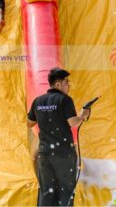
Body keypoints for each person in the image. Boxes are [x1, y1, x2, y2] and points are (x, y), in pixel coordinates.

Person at [27, 68, 91, 206]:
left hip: (45, 153)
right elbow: (73, 123)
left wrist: (44, 117)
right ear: (58, 84)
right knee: (65, 191)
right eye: (66, 83)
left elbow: (29, 123)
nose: (68, 86)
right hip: (63, 154)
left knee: (46, 190)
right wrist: (82, 115)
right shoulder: (64, 100)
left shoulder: (38, 101)